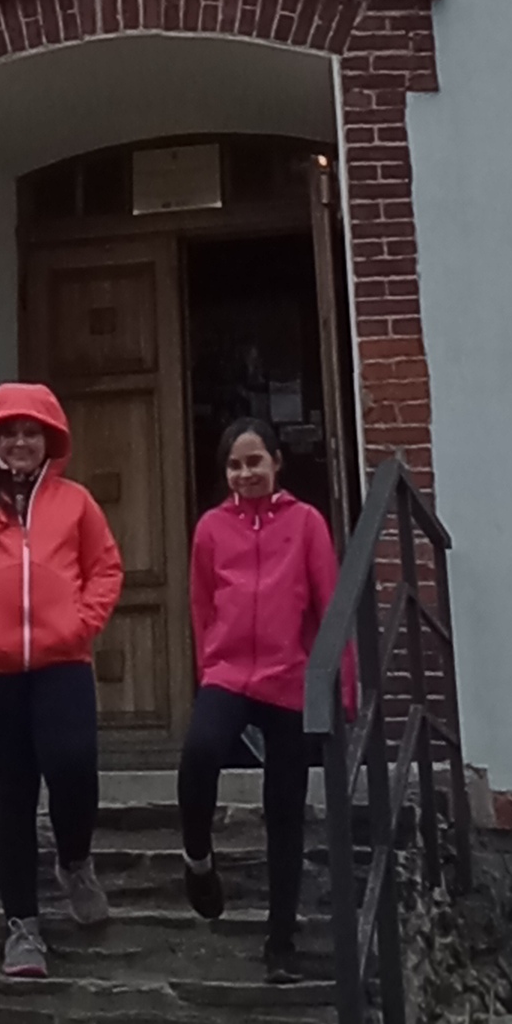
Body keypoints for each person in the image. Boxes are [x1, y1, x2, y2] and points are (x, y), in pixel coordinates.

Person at [0, 380, 124, 979]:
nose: (19, 442)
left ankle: (75, 860)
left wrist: (82, 623)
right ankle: (23, 929)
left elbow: (105, 568)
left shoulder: (76, 502)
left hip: (63, 663)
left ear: (49, 440)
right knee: (11, 792)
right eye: (8, 433)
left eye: (31, 432)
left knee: (73, 765)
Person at [179, 417, 343, 982]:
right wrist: (207, 668)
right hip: (227, 673)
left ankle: (281, 943)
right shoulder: (210, 528)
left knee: (284, 809)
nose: (245, 473)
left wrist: (339, 688)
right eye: (234, 464)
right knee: (200, 753)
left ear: (276, 462)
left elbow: (329, 604)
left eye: (254, 461)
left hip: (288, 678)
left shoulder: (306, 523)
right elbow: (201, 604)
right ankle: (198, 858)